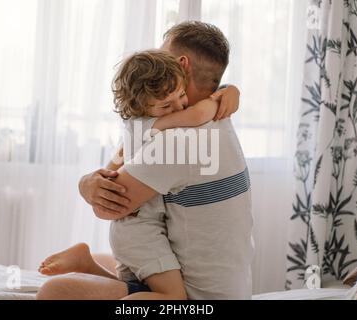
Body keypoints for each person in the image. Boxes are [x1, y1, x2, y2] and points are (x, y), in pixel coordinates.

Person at [36, 21, 253, 300]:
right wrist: (232, 88)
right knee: (110, 261)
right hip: (230, 288)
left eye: (162, 52)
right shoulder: (220, 115)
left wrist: (87, 186)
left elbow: (107, 209)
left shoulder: (176, 140)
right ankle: (91, 264)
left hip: (196, 300)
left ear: (181, 64)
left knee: (54, 292)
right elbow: (126, 152)